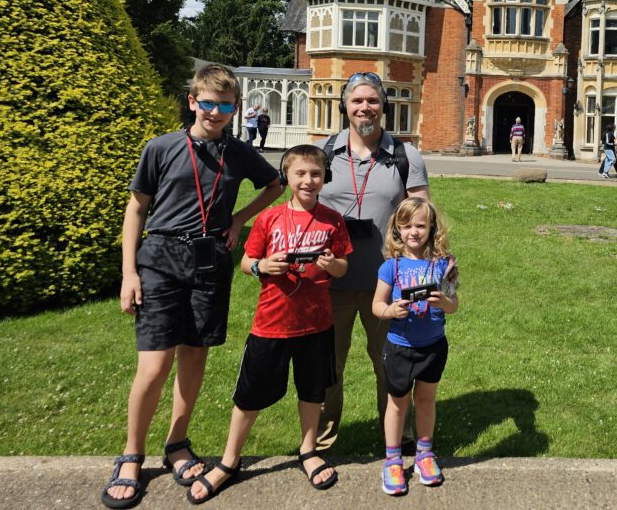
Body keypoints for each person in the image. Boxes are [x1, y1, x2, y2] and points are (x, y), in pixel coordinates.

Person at [102, 64, 282, 510]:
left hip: (210, 262)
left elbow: (274, 184)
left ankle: (178, 442)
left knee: (194, 355)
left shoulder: (237, 152)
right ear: (192, 102)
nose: (215, 112)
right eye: (207, 103)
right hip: (160, 260)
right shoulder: (161, 148)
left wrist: (240, 219)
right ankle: (131, 454)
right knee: (154, 364)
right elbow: (136, 210)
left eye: (225, 105)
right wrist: (129, 273)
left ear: (234, 108)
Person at [187, 145, 351, 503]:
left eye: (316, 174)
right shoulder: (269, 219)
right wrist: (264, 266)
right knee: (249, 395)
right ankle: (229, 461)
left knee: (312, 392)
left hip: (317, 324)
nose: (309, 181)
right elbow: (247, 261)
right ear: (288, 177)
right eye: (301, 174)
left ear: (325, 178)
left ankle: (308, 450)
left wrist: (329, 265)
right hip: (272, 323)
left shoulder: (332, 219)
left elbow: (342, 266)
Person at [314, 72, 429, 453]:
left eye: (373, 101)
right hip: (332, 283)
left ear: (384, 106)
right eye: (357, 100)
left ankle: (399, 439)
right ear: (344, 106)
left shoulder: (405, 155)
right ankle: (323, 440)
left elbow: (421, 216)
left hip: (389, 285)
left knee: (392, 364)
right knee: (329, 366)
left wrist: (430, 270)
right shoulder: (323, 152)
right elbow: (299, 209)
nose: (365, 107)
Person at [371, 198, 459, 496]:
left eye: (420, 225)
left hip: (433, 346)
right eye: (406, 226)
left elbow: (454, 304)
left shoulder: (444, 263)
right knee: (398, 403)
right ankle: (393, 459)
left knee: (426, 400)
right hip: (400, 347)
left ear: (432, 227)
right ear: (397, 229)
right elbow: (376, 306)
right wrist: (391, 311)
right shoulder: (391, 266)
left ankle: (424, 453)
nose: (413, 232)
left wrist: (443, 301)